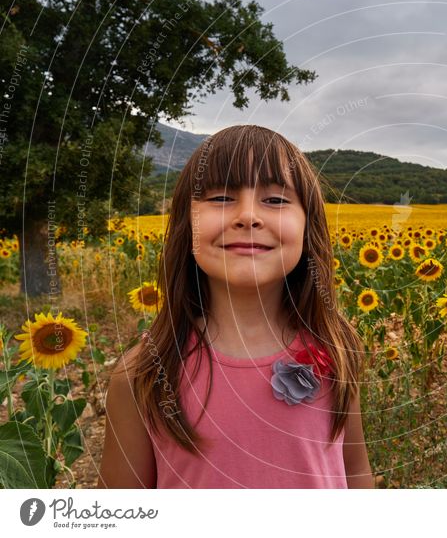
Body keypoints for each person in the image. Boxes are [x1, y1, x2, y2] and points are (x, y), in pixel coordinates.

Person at [97, 125, 373, 488]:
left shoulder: (335, 348)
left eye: (275, 200)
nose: (247, 216)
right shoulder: (144, 373)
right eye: (220, 197)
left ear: (309, 227)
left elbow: (354, 472)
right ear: (186, 224)